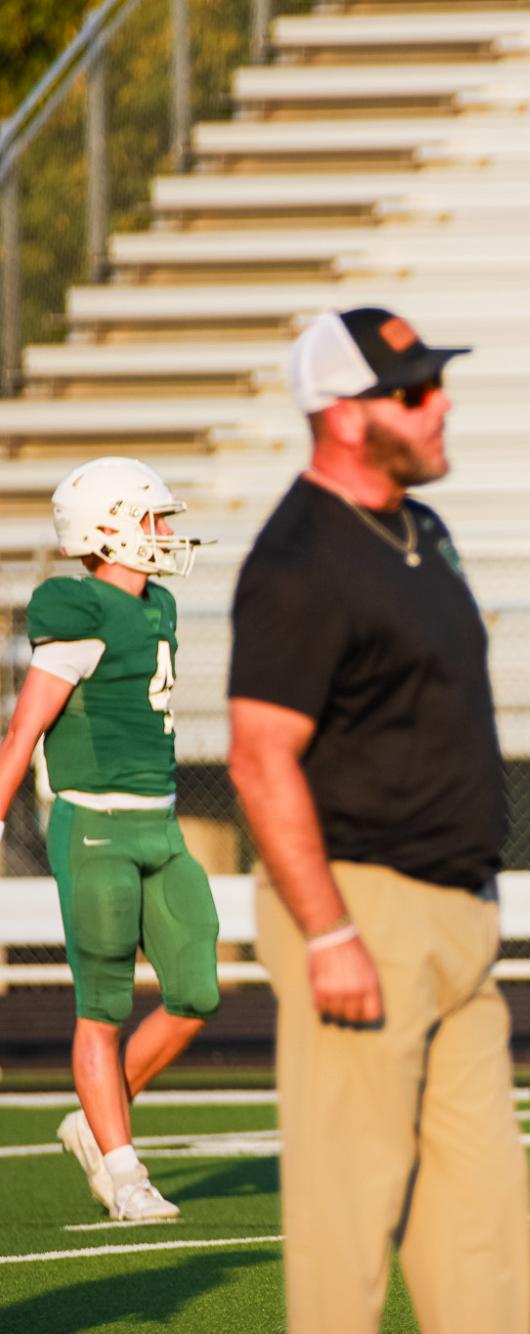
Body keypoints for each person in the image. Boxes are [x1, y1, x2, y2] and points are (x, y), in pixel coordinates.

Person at [226, 308, 530, 1333]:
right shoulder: (299, 558)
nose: (439, 402)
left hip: (456, 916)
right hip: (360, 908)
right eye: (414, 389)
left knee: (482, 1221)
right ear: (346, 414)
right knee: (346, 1222)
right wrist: (329, 932)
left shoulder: (420, 526)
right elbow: (260, 756)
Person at [0, 458, 214, 1222]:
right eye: (152, 519)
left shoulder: (157, 606)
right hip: (94, 823)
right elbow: (25, 728)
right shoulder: (75, 604)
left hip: (159, 820)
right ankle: (124, 1176)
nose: (165, 533)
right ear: (108, 529)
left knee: (195, 992)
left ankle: (95, 1120)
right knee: (104, 1006)